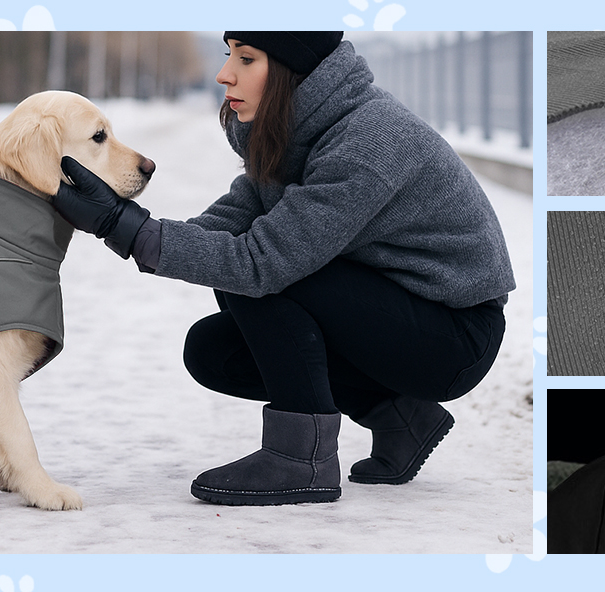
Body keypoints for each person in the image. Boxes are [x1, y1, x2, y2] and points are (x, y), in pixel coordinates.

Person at [50, 31, 516, 506]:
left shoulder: (369, 139)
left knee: (266, 271)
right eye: (228, 54)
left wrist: (126, 227)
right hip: (396, 316)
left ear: (296, 71)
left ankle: (302, 459)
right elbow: (218, 233)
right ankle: (397, 416)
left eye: (246, 58)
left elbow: (259, 262)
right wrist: (118, 224)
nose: (224, 73)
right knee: (213, 351)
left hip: (454, 337)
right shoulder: (299, 133)